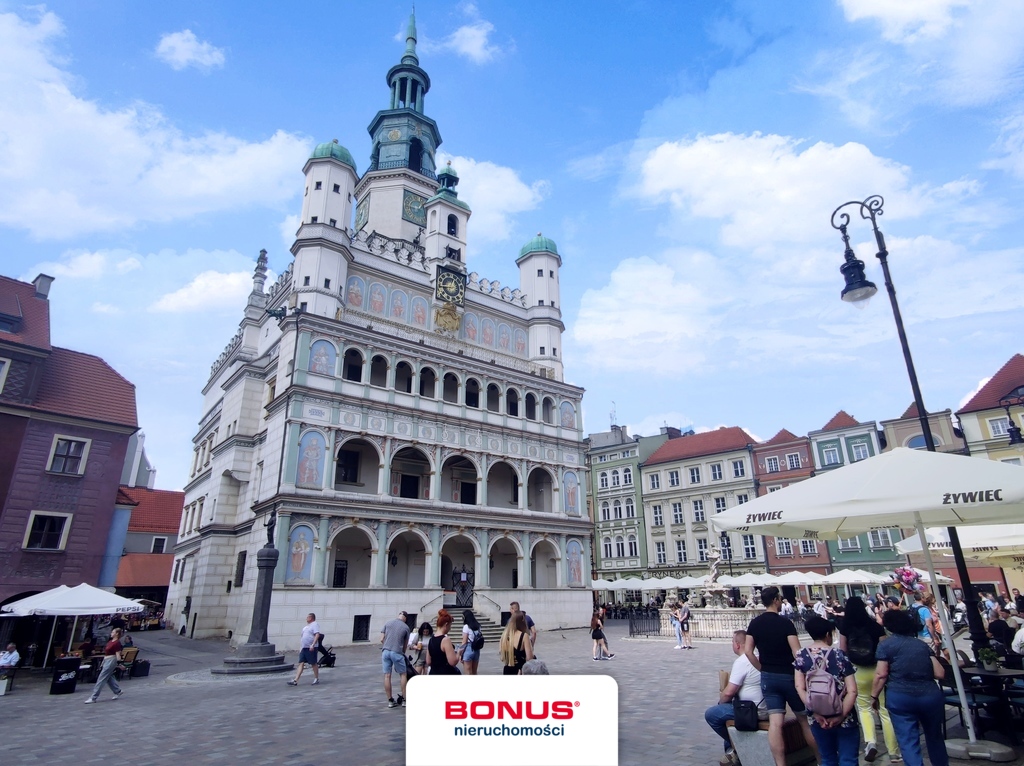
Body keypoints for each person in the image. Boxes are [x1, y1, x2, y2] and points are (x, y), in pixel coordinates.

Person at [744, 586, 819, 766]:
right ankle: (820, 759)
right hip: (789, 675)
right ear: (776, 600)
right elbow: (797, 653)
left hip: (768, 677)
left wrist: (762, 668)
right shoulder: (785, 623)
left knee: (775, 723)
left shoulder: (755, 623)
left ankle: (780, 764)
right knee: (804, 720)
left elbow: (748, 651)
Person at [871, 608, 949, 766]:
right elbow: (940, 673)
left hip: (900, 696)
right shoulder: (921, 645)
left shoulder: (886, 646)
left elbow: (881, 674)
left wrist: (874, 696)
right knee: (935, 737)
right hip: (929, 695)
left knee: (908, 741)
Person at [838, 597, 900, 763]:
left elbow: (842, 651)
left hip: (858, 671)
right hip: (877, 670)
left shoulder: (845, 627)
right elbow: (885, 649)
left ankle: (871, 742)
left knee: (864, 709)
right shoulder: (875, 626)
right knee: (885, 710)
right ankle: (893, 751)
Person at [793, 616, 858, 766]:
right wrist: (841, 716)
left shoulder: (801, 656)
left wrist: (815, 712)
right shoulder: (839, 655)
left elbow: (799, 687)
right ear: (828, 635)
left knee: (827, 758)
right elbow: (853, 690)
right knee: (848, 759)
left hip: (817, 717)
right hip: (844, 716)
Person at [704, 629, 765, 766]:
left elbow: (729, 692)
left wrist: (720, 703)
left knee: (713, 714)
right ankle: (732, 753)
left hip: (752, 710)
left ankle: (736, 749)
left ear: (737, 644)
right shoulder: (759, 656)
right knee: (728, 717)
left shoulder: (742, 661)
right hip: (763, 706)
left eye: (732, 641)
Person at [84, 628, 124, 704]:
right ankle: (117, 691)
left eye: (113, 632)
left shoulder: (116, 643)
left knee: (101, 678)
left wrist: (119, 664)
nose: (111, 633)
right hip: (106, 659)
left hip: (111, 660)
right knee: (108, 677)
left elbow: (118, 655)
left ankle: (93, 697)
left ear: (117, 634)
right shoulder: (110, 642)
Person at [380, 610, 411, 708]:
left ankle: (390, 700)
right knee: (403, 675)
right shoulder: (406, 627)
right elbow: (405, 645)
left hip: (385, 651)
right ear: (405, 618)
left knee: (387, 676)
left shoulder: (388, 623)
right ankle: (405, 700)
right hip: (397, 652)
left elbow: (381, 639)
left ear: (398, 615)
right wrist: (403, 653)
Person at [288, 612, 322, 686]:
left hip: (311, 647)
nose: (306, 618)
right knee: (301, 662)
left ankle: (316, 678)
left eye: (308, 617)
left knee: (313, 663)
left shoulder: (315, 624)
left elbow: (317, 634)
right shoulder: (306, 627)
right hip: (304, 648)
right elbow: (302, 637)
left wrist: (313, 645)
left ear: (311, 618)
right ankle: (295, 680)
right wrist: (301, 647)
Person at [499, 611, 534, 675]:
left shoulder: (504, 636)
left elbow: (502, 657)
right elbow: (529, 658)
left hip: (507, 669)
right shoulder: (524, 636)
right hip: (520, 670)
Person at [427, 609, 461, 676]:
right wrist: (459, 653)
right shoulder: (445, 640)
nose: (450, 628)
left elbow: (428, 661)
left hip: (433, 673)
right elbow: (452, 662)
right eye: (450, 626)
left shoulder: (431, 639)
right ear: (446, 624)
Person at [458, 610, 482, 675]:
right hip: (477, 649)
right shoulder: (478, 626)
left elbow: (464, 641)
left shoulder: (466, 627)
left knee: (468, 671)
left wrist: (460, 654)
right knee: (474, 671)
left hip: (468, 648)